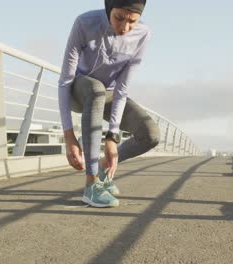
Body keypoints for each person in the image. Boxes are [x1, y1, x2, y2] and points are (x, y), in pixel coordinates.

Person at [58, 0, 160, 208]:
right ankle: (91, 185)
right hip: (80, 90)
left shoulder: (142, 34)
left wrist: (112, 136)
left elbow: (122, 89)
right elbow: (65, 81)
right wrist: (68, 136)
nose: (124, 27)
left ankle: (103, 168)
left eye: (132, 21)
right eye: (119, 18)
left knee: (150, 134)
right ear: (108, 9)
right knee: (96, 89)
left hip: (110, 94)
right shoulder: (85, 23)